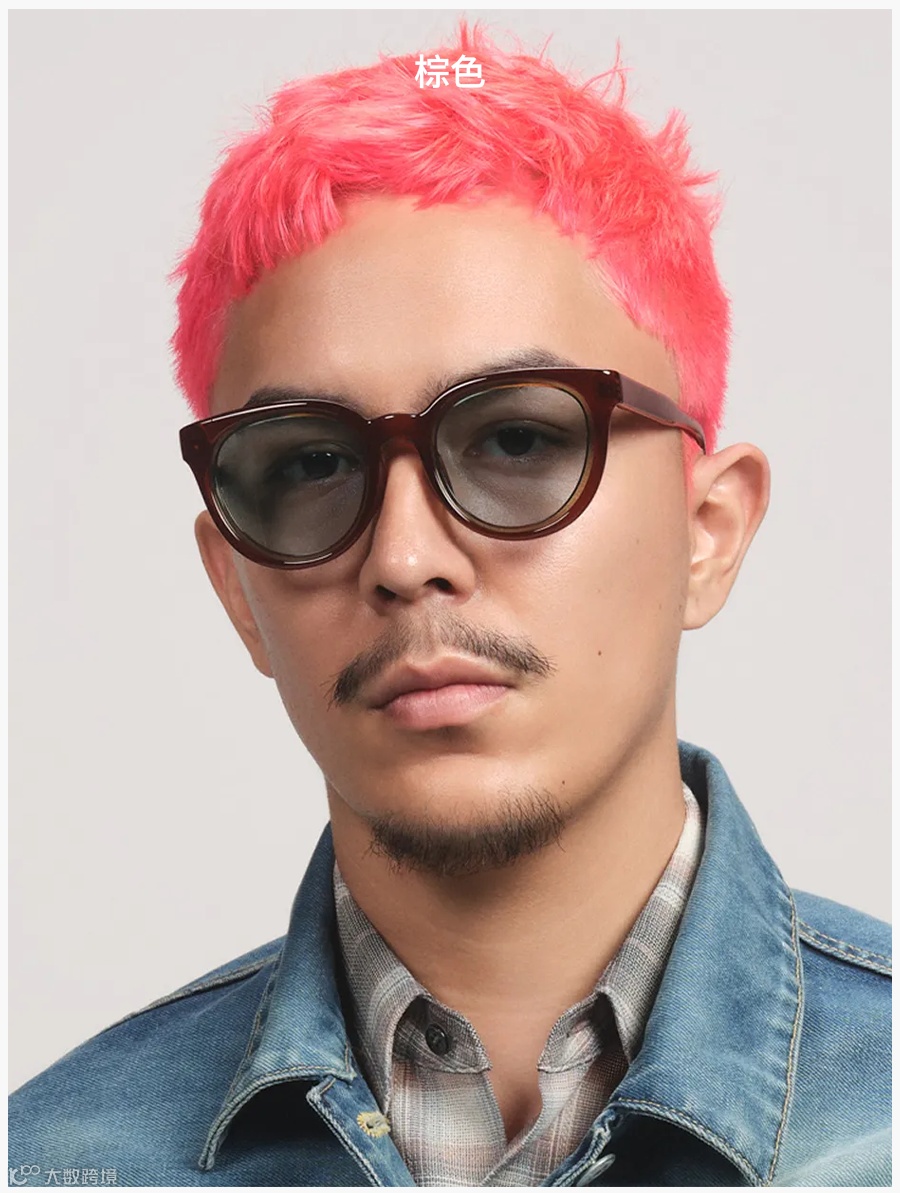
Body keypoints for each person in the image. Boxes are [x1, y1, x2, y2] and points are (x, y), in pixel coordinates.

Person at [9, 21, 890, 1189]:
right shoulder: (55, 1161)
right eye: (311, 464)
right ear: (236, 588)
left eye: (518, 438)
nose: (406, 556)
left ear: (707, 531)